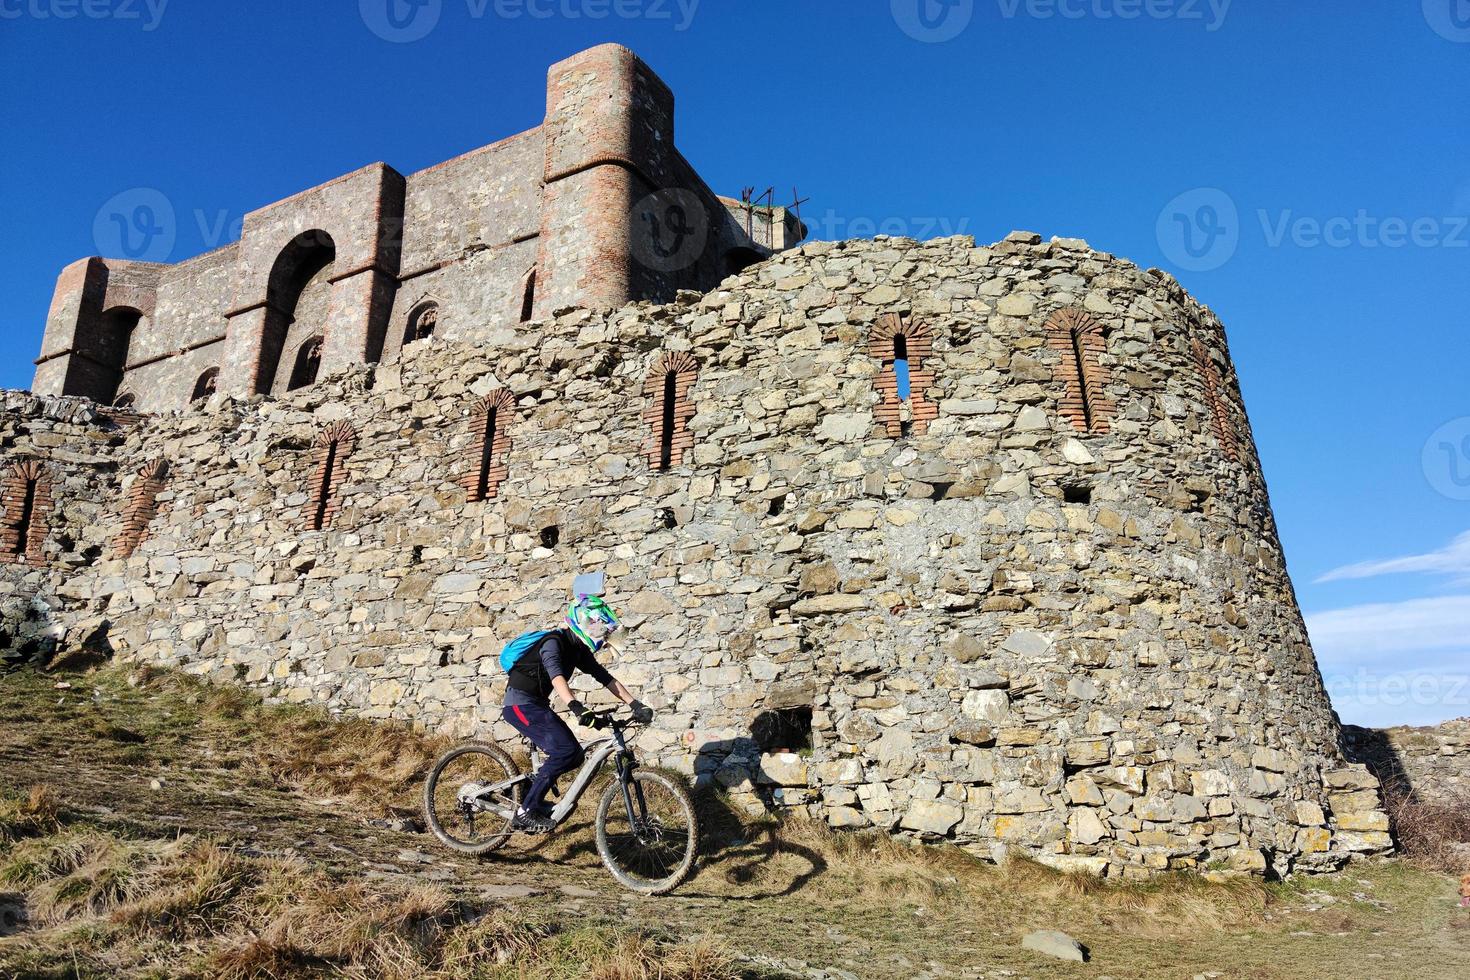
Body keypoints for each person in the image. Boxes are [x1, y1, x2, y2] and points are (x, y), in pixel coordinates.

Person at [501, 595, 653, 833]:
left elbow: (605, 678)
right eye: (595, 625)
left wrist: (635, 704)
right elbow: (556, 675)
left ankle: (531, 794)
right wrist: (575, 705)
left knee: (574, 755)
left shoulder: (578, 650)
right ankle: (525, 811)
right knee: (565, 751)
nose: (600, 633)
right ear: (581, 622)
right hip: (519, 704)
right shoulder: (554, 642)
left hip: (536, 704)